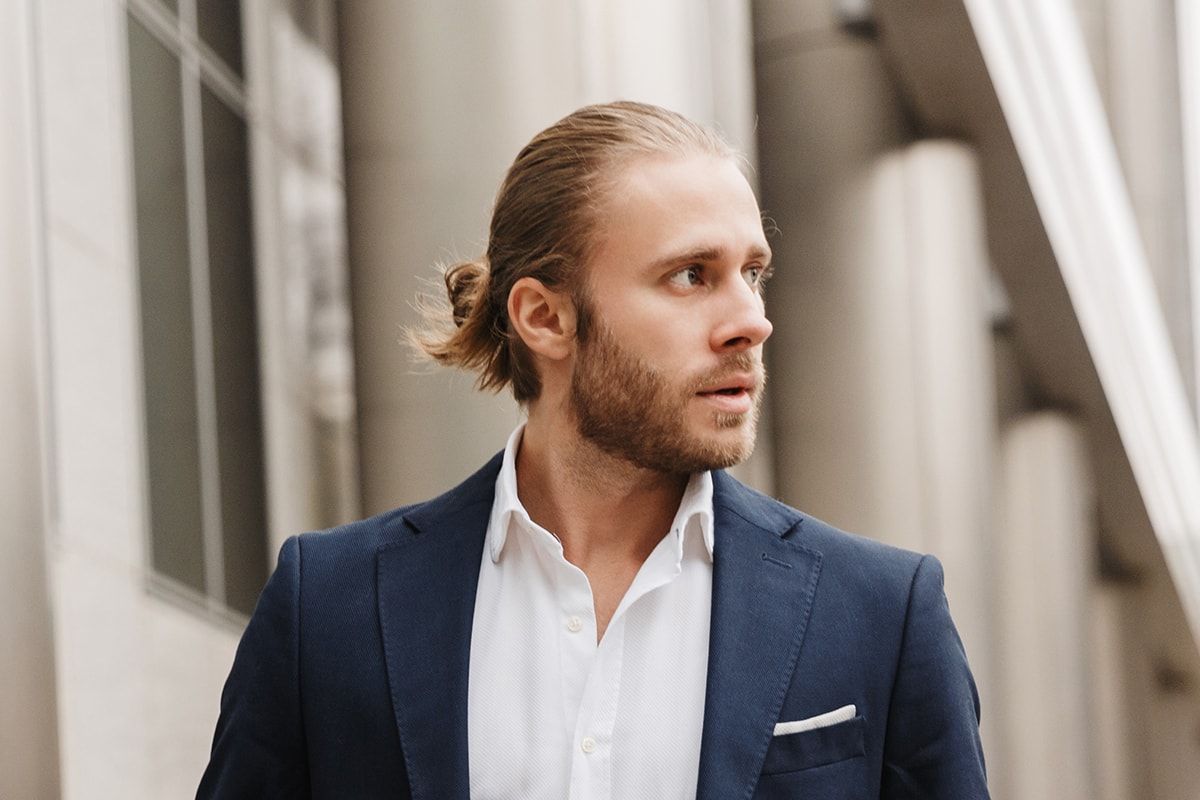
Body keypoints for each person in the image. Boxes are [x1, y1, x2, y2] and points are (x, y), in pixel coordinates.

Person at [198, 101, 989, 799]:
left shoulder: (882, 614)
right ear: (545, 318)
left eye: (753, 272)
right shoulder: (328, 608)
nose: (752, 320)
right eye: (691, 275)